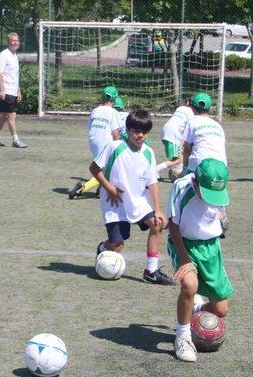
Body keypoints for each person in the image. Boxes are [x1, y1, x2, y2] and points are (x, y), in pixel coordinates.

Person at [90, 109, 176, 285]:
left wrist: (157, 209)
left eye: (144, 132)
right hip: (115, 203)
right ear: (127, 130)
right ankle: (103, 247)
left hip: (138, 202)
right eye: (136, 131)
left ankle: (151, 272)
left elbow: (152, 181)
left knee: (158, 224)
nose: (141, 135)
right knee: (118, 246)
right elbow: (94, 168)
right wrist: (108, 187)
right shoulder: (115, 147)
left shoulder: (148, 152)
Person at [166, 158, 233, 362]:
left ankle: (194, 309)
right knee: (189, 285)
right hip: (185, 244)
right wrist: (185, 259)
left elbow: (218, 212)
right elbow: (173, 224)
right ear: (195, 182)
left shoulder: (218, 189)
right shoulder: (181, 187)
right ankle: (183, 337)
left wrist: (221, 220)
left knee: (220, 310)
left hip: (211, 247)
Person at [68, 86, 123, 199]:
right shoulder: (113, 112)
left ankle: (101, 187)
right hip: (106, 142)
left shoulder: (95, 110)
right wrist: (120, 147)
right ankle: (83, 187)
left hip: (93, 142)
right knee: (109, 168)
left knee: (103, 167)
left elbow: (90, 127)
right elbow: (116, 133)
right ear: (115, 99)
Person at [0, 32, 27, 148]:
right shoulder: (4, 55)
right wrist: (2, 90)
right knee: (11, 116)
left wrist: (18, 91)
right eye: (13, 41)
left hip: (13, 91)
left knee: (5, 115)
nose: (16, 43)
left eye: (17, 41)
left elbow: (15, 75)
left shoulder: (15, 56)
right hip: (6, 91)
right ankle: (15, 140)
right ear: (8, 42)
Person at [180, 92, 227, 174]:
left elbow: (186, 148)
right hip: (221, 167)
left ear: (192, 108)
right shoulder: (218, 126)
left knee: (182, 185)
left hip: (199, 165)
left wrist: (185, 167)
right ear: (210, 109)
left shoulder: (191, 122)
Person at [155, 98, 194, 180]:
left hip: (166, 130)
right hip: (173, 133)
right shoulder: (192, 114)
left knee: (175, 158)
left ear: (187, 102)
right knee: (179, 160)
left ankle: (158, 174)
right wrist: (183, 145)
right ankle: (154, 170)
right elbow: (187, 131)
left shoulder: (180, 108)